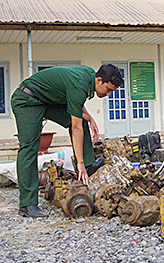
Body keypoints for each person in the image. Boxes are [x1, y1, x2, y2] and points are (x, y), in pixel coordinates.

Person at [12, 64, 123, 218]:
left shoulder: (89, 76)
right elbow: (75, 127)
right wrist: (80, 163)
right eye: (109, 90)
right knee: (30, 148)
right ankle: (27, 204)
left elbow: (76, 103)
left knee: (81, 120)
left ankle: (89, 166)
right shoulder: (80, 83)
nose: (109, 94)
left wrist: (90, 118)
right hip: (28, 100)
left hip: (48, 101)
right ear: (98, 80)